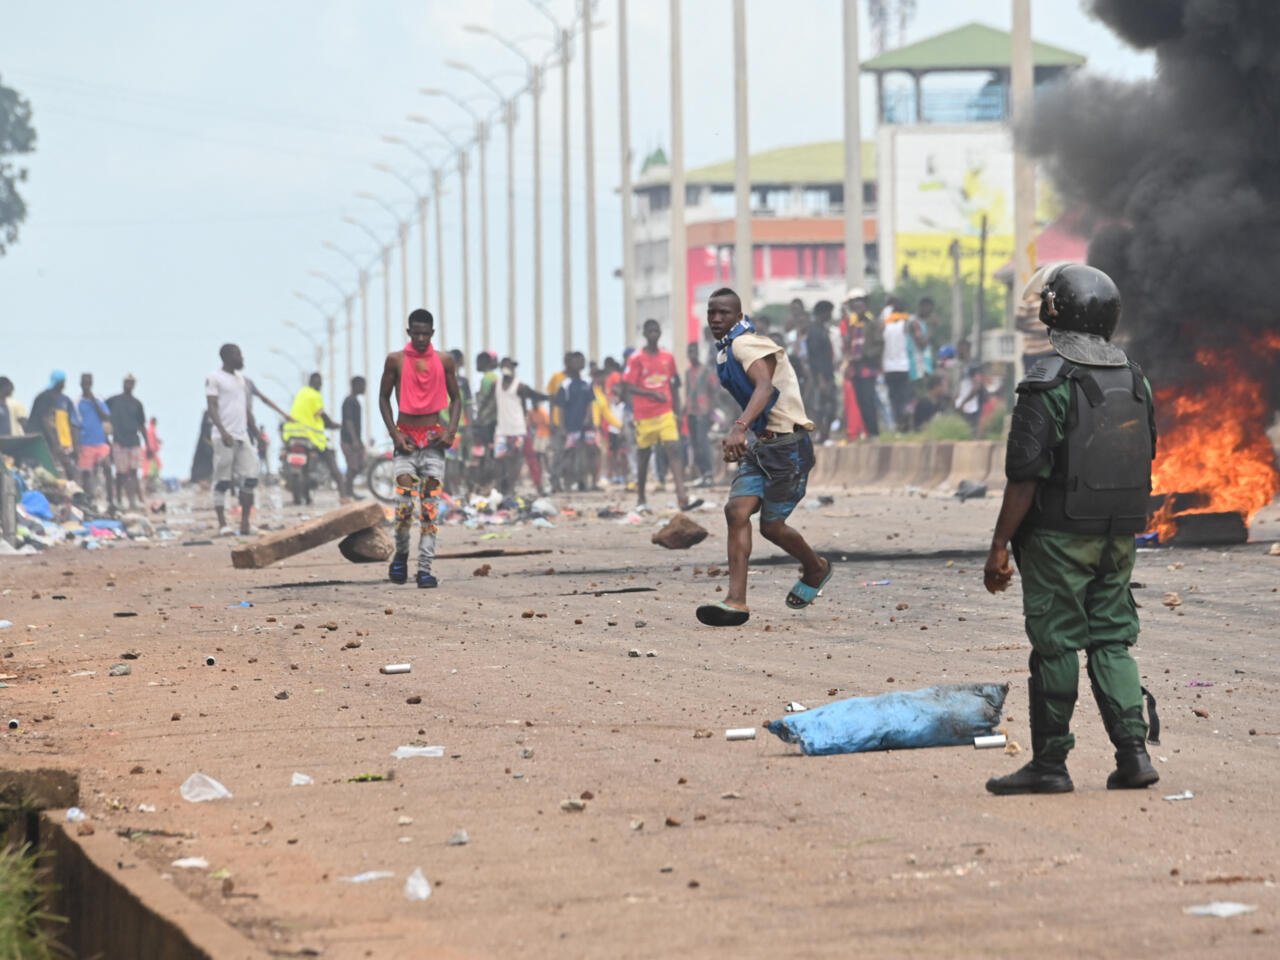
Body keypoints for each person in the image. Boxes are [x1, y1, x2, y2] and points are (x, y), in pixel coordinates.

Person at [983, 262, 1160, 796]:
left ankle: (1050, 765)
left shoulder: (1047, 383)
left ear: (1054, 310)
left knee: (1056, 645)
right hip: (1118, 536)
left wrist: (998, 547)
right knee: (1111, 640)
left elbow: (1024, 478)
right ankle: (1133, 755)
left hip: (1058, 540)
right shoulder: (1136, 379)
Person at [696, 288, 829, 627]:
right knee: (736, 511)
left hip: (788, 449)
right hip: (762, 446)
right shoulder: (727, 350)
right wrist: (746, 432)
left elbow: (765, 387)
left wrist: (739, 427)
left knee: (771, 527)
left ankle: (816, 567)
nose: (715, 319)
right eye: (711, 313)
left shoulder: (745, 344)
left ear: (738, 316)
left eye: (723, 313)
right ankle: (736, 601)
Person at [379, 309, 461, 588]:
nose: (422, 338)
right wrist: (394, 435)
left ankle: (424, 568)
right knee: (403, 506)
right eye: (417, 333)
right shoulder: (396, 360)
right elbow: (383, 398)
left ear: (433, 333)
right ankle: (401, 556)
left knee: (429, 508)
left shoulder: (444, 360)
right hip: (406, 441)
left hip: (434, 441)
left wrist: (451, 431)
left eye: (427, 333)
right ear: (409, 332)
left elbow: (457, 399)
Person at [622, 319, 701, 513]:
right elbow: (627, 386)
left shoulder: (668, 357)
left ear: (659, 333)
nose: (653, 333)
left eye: (656, 330)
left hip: (665, 412)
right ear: (645, 334)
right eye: (650, 330)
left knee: (674, 450)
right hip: (644, 415)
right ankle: (641, 497)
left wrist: (677, 410)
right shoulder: (636, 358)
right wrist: (650, 394)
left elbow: (674, 384)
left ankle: (682, 497)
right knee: (644, 455)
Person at [206, 344, 260, 536]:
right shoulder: (214, 378)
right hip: (223, 436)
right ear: (227, 357)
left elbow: (245, 409)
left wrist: (256, 432)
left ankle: (245, 523)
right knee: (222, 481)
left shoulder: (241, 380)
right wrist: (223, 431)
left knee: (250, 478)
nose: (241, 358)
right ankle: (223, 525)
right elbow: (211, 407)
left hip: (242, 435)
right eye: (238, 355)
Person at [283, 373, 346, 501]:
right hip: (311, 437)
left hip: (292, 435)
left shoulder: (301, 393)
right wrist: (333, 425)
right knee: (332, 463)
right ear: (317, 383)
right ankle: (343, 495)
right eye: (320, 383)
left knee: (296, 464)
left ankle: (302, 494)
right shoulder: (315, 395)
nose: (320, 385)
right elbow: (322, 415)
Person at [494, 358, 544, 496]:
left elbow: (527, 401)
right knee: (500, 460)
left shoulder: (519, 386)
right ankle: (501, 487)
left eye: (509, 366)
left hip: (517, 428)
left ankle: (512, 487)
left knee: (516, 459)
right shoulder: (496, 384)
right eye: (505, 366)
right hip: (502, 429)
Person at [842, 289, 882, 437]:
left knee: (868, 400)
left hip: (867, 367)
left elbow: (879, 345)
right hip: (855, 369)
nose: (857, 307)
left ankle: (874, 431)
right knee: (860, 401)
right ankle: (868, 431)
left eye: (860, 304)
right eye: (854, 304)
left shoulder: (873, 323)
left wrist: (864, 356)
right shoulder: (851, 326)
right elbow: (848, 347)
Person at [555, 352, 597, 493]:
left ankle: (586, 481)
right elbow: (560, 407)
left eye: (581, 360)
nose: (580, 363)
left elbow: (591, 403)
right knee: (570, 454)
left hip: (587, 426)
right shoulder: (565, 385)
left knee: (590, 452)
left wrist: (589, 418)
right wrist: (561, 427)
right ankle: (567, 482)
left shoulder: (587, 382)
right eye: (576, 361)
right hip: (571, 426)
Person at [107, 374, 149, 510]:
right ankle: (118, 499)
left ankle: (134, 500)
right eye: (127, 382)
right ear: (123, 383)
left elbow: (142, 425)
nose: (129, 385)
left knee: (133, 472)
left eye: (131, 383)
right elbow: (102, 410)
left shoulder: (137, 404)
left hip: (134, 441)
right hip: (119, 440)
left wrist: (148, 444)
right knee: (120, 473)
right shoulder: (114, 401)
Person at [29, 371, 79, 478]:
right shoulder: (45, 398)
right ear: (61, 382)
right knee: (54, 471)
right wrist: (55, 444)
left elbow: (72, 424)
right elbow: (46, 421)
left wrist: (74, 445)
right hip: (48, 442)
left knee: (68, 470)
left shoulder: (66, 400)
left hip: (64, 442)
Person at [75, 374, 115, 510]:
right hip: (85, 442)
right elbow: (75, 424)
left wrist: (93, 400)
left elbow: (106, 416)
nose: (86, 385)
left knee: (108, 467)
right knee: (87, 473)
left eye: (88, 383)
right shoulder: (77, 402)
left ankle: (111, 500)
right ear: (80, 384)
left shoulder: (98, 400)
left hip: (100, 441)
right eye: (84, 383)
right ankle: (89, 500)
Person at [683, 341, 717, 486]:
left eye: (695, 351)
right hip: (691, 411)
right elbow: (687, 393)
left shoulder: (706, 371)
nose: (693, 354)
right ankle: (703, 474)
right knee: (695, 444)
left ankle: (709, 474)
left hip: (703, 411)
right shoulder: (688, 372)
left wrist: (711, 410)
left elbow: (714, 390)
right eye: (690, 351)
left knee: (703, 443)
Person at [806, 301, 838, 442]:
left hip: (828, 374)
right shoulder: (814, 332)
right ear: (823, 313)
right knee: (819, 408)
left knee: (831, 407)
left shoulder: (822, 329)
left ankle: (823, 435)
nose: (831, 315)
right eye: (829, 312)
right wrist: (820, 379)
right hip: (820, 377)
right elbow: (815, 358)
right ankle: (816, 436)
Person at [881, 297, 913, 431]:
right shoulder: (906, 324)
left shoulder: (885, 326)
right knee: (904, 397)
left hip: (888, 368)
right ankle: (904, 423)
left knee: (893, 398)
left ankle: (898, 423)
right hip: (903, 366)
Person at [340, 376, 367, 499]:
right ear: (356, 386)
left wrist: (359, 440)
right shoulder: (349, 401)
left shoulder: (354, 401)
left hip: (354, 439)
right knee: (353, 466)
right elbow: (349, 422)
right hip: (348, 440)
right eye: (362, 385)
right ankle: (347, 492)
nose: (364, 388)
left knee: (359, 465)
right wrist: (355, 440)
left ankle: (348, 491)